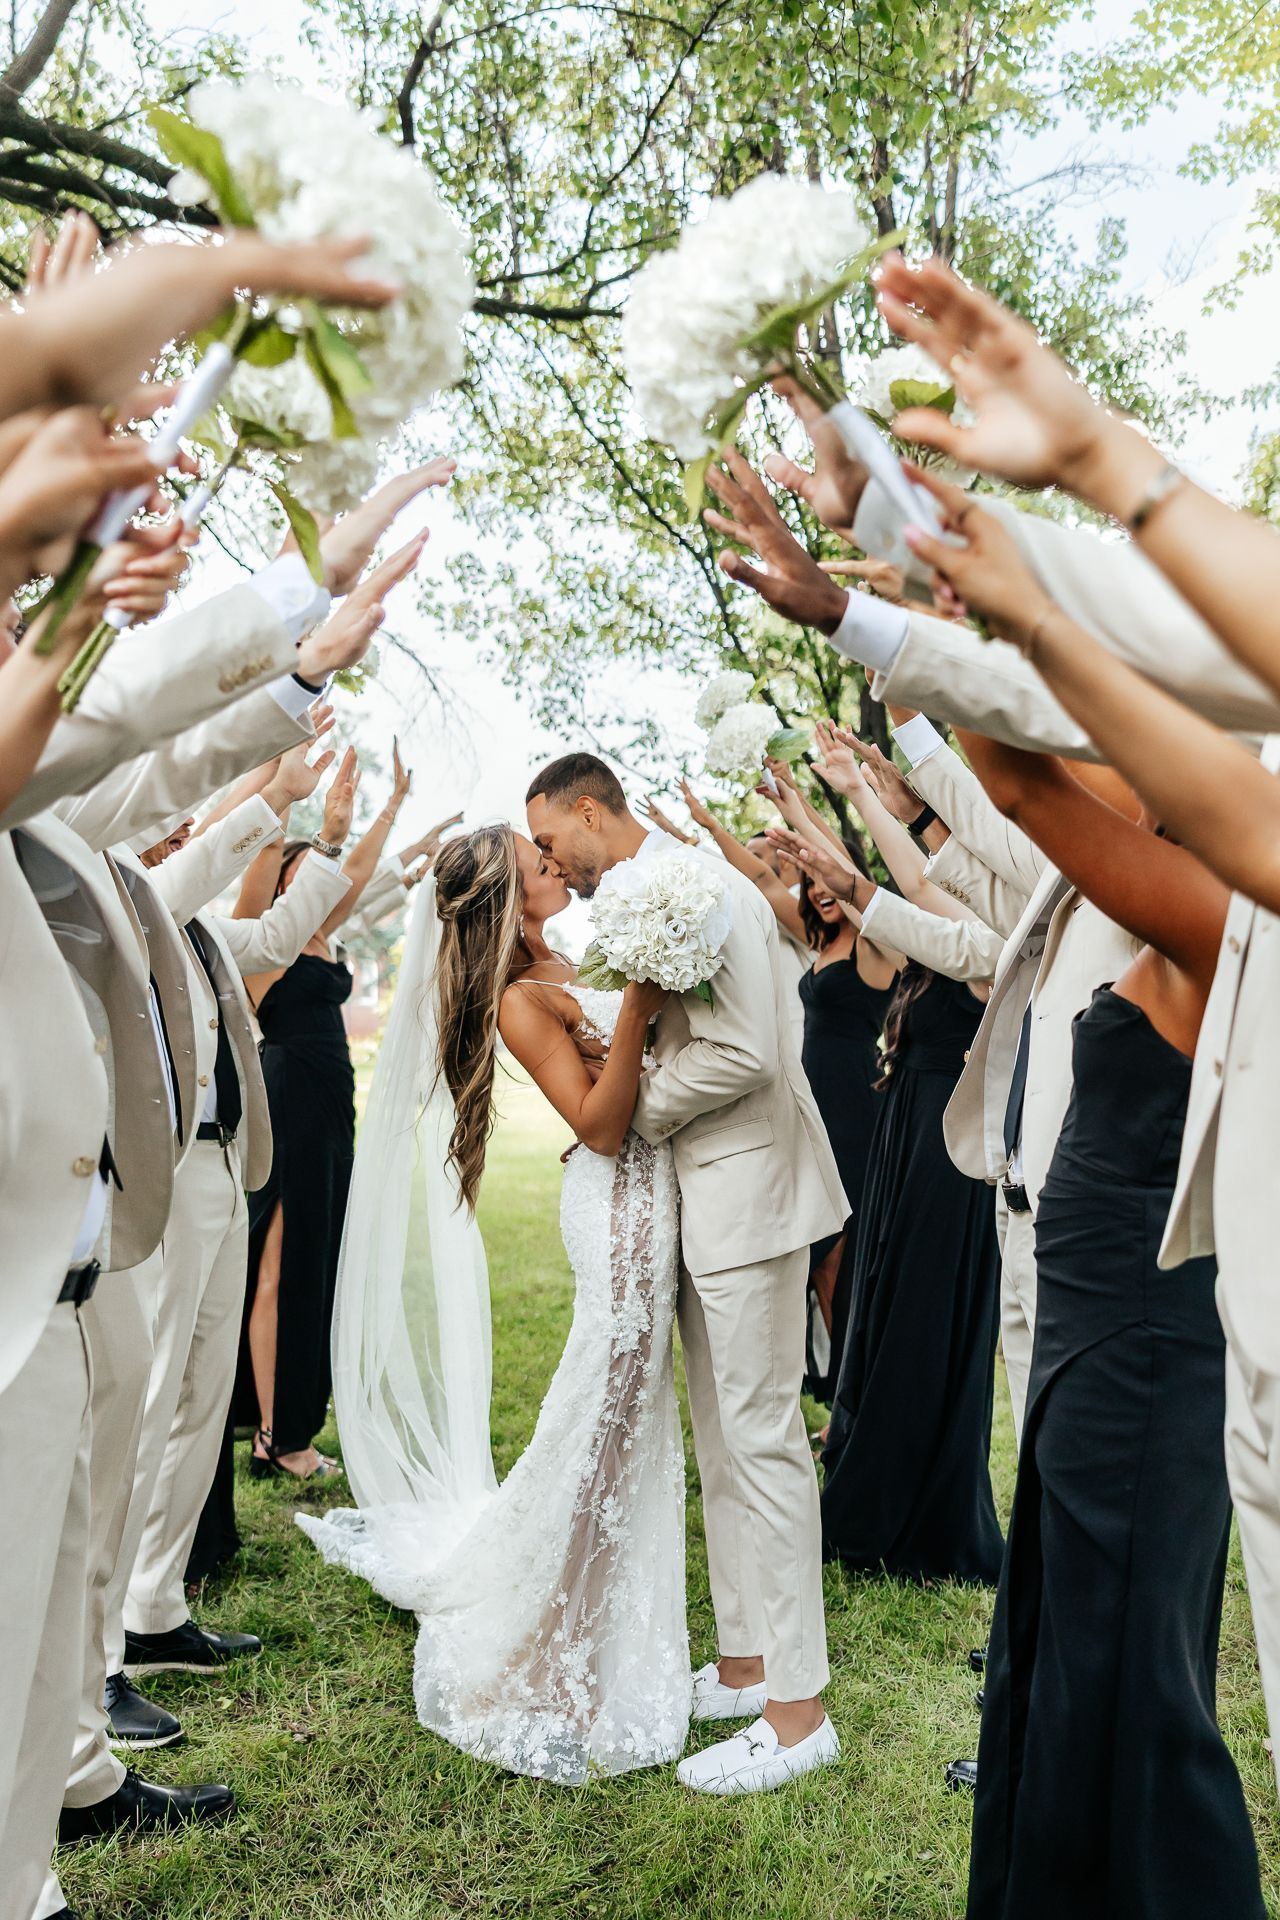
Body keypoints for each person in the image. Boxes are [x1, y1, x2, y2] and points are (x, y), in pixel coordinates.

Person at [951, 736, 1265, 1920]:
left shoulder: (1213, 913)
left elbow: (1024, 783)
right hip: (1109, 1322)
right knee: (1088, 1630)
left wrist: (900, 621)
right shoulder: (1189, 901)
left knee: (1130, 1660)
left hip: (1139, 1333)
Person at [300, 823, 687, 1784]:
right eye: (536, 861)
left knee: (621, 1428)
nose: (556, 865)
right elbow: (598, 1126)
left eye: (551, 854)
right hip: (618, 1208)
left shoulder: (572, 957)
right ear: (505, 897)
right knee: (602, 1426)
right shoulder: (519, 998)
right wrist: (640, 992)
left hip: (661, 1194)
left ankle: (578, 1622)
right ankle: (534, 1648)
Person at [526, 753, 847, 1794]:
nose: (549, 863)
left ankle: (798, 1718)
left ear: (589, 808)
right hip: (709, 1204)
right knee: (723, 1440)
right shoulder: (657, 890)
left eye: (549, 840)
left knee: (760, 1448)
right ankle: (749, 1666)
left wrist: (622, 1122)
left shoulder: (693, 887)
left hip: (748, 1195)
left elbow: (743, 1055)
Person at [768, 825, 1003, 1588]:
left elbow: (907, 888)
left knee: (919, 1319)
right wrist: (820, 823)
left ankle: (914, 1515)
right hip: (906, 1136)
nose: (930, 883)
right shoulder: (929, 952)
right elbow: (899, 896)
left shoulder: (984, 949)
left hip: (948, 1153)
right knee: (884, 1303)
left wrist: (869, 805)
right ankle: (868, 1471)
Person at [238, 745, 411, 1483]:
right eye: (302, 870)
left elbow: (360, 872)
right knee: (280, 1264)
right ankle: (277, 1434)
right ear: (283, 880)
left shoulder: (321, 934)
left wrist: (393, 804)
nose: (322, 883)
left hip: (329, 1102)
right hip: (287, 1099)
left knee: (318, 1259)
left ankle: (286, 1421)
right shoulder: (265, 937)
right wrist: (288, 790)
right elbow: (294, 856)